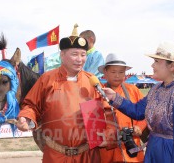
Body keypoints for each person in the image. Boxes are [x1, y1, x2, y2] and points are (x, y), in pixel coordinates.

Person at [16, 24, 110, 162]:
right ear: (62, 55)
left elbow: (106, 111)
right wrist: (26, 118)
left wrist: (107, 133)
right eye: (74, 54)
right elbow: (31, 105)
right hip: (55, 155)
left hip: (87, 155)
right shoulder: (47, 79)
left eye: (83, 55)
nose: (79, 59)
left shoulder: (92, 81)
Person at [102, 42, 174, 162]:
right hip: (154, 151)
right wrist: (114, 97)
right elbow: (138, 111)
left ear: (172, 66)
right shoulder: (156, 88)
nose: (152, 65)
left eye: (156, 61)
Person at [98, 53, 147, 163]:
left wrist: (139, 127)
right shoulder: (98, 92)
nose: (117, 76)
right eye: (113, 72)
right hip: (108, 151)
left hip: (131, 148)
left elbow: (146, 113)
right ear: (105, 72)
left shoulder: (133, 90)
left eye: (121, 72)